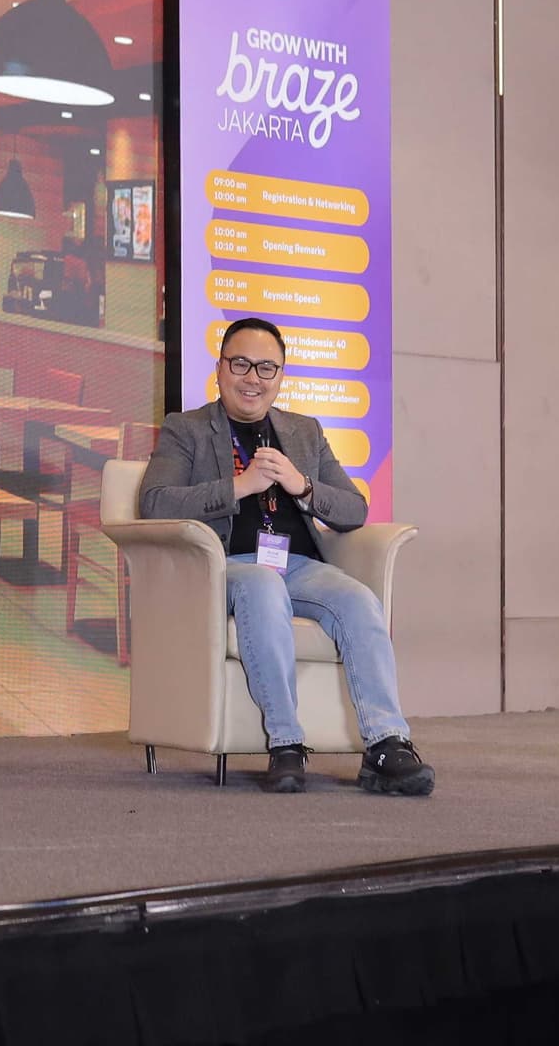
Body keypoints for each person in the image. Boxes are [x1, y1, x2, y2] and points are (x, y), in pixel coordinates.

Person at [137, 317, 434, 797]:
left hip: (297, 565)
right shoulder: (186, 429)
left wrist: (303, 486)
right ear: (219, 368)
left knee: (358, 600)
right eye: (241, 364)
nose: (253, 378)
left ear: (280, 376)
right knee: (262, 584)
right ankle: (285, 743)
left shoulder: (304, 432)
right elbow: (154, 503)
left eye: (266, 368)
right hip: (226, 565)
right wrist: (238, 487)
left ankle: (385, 745)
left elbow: (354, 508)